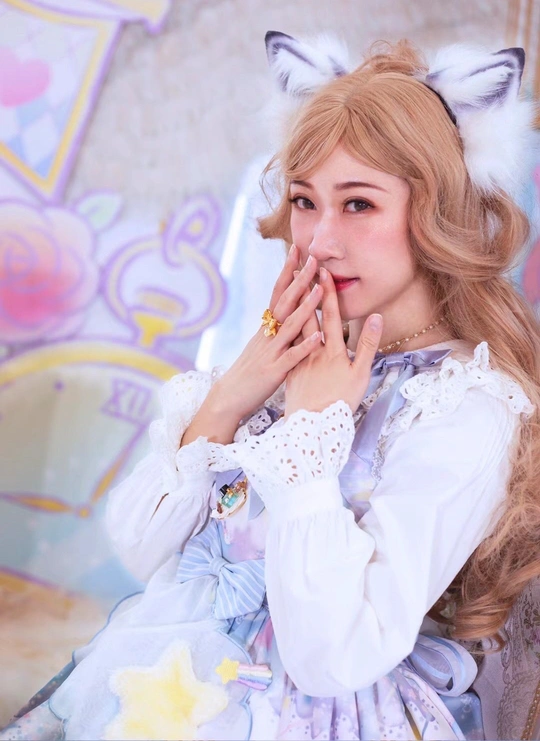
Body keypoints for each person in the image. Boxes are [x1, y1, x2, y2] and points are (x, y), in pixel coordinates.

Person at [2, 31, 539, 741]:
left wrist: (310, 446)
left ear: (438, 210)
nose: (317, 240)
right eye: (304, 201)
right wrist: (233, 394)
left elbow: (331, 658)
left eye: (359, 204)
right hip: (173, 683)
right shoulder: (302, 354)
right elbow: (142, 552)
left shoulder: (465, 406)